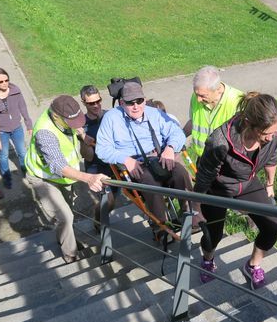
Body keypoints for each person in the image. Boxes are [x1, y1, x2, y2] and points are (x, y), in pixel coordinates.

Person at [194, 92, 277, 290]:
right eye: (265, 133)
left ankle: (252, 266)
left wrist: (270, 184)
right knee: (212, 236)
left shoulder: (273, 134)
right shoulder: (220, 141)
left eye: (274, 132)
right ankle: (207, 260)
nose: (271, 137)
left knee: (272, 226)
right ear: (250, 123)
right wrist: (196, 207)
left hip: (247, 183)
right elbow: (204, 176)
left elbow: (271, 157)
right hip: (216, 190)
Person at [95, 82, 200, 226]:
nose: (136, 106)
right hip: (134, 164)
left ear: (144, 100)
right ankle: (161, 225)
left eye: (139, 101)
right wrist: (125, 159)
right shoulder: (111, 118)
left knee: (181, 173)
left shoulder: (154, 113)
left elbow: (177, 133)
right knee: (150, 184)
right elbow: (102, 149)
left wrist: (170, 148)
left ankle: (193, 217)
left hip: (159, 158)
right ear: (121, 102)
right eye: (130, 102)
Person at [25, 95, 108, 264]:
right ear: (56, 116)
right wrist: (89, 177)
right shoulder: (45, 133)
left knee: (66, 213)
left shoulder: (65, 116)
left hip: (64, 179)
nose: (76, 124)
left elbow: (76, 129)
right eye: (71, 122)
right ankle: (71, 255)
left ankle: (64, 237)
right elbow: (59, 167)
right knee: (65, 217)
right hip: (43, 178)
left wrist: (83, 135)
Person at [0, 68, 32, 189]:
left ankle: (26, 172)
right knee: (3, 155)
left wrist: (28, 124)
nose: (5, 83)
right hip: (2, 130)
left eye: (6, 80)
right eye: (1, 82)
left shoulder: (15, 90)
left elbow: (23, 107)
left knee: (22, 152)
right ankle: (6, 177)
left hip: (16, 127)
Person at [183, 66, 243, 160]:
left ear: (218, 89)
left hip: (226, 163)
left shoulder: (238, 101)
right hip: (203, 159)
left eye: (203, 96)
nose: (198, 99)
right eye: (196, 94)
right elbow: (192, 121)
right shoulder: (196, 97)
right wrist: (179, 137)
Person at [78, 85, 112, 178]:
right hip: (96, 165)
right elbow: (88, 157)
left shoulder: (111, 116)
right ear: (83, 102)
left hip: (114, 161)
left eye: (98, 101)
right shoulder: (82, 125)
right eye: (91, 103)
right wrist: (84, 139)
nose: (96, 105)